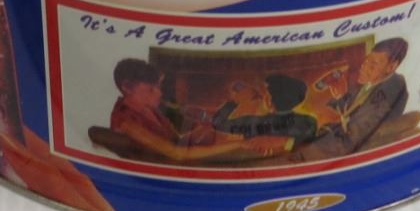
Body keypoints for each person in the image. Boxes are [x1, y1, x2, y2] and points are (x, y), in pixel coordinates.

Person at [102, 60, 288, 164]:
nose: (159, 93)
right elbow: (177, 153)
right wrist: (240, 143)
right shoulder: (125, 122)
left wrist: (205, 126)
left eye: (158, 86)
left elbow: (177, 140)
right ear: (127, 87)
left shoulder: (150, 110)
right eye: (151, 89)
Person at [293, 39, 410, 161]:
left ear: (391, 67)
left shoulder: (390, 89)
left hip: (358, 152)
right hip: (343, 141)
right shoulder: (372, 83)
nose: (363, 67)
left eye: (372, 64)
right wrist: (339, 95)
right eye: (366, 61)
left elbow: (356, 135)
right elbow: (352, 106)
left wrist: (308, 152)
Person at [210, 73, 319, 147]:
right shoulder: (310, 122)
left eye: (266, 92)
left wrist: (233, 102)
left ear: (270, 100)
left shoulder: (252, 123)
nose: (263, 95)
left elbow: (218, 123)